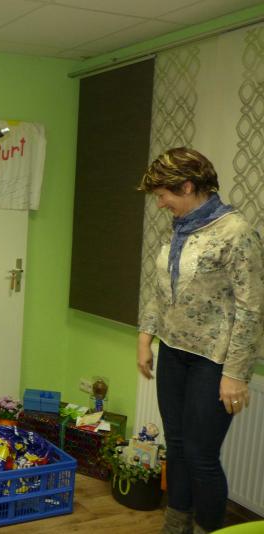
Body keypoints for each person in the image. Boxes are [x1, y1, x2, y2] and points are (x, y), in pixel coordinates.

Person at [136, 147, 264, 534]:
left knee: (200, 454)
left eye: (163, 195)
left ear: (188, 186)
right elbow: (161, 289)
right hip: (173, 351)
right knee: (176, 447)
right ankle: (176, 525)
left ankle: (211, 530)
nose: (160, 203)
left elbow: (252, 309)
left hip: (213, 360)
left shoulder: (236, 232)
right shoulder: (180, 227)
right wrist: (145, 338)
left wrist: (235, 374)